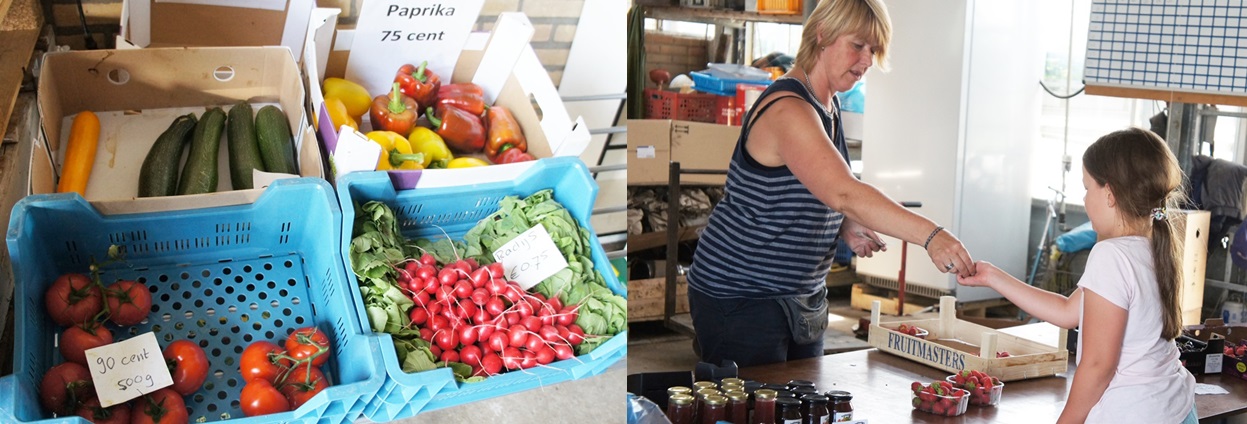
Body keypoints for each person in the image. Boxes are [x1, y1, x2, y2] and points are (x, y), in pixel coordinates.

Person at [684, 0, 976, 368]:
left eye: (874, 49)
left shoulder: (828, 105)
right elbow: (843, 192)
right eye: (858, 45)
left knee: (805, 404)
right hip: (742, 294)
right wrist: (932, 236)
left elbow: (811, 186)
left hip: (800, 295)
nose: (867, 60)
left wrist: (844, 224)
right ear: (822, 34)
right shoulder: (789, 108)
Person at [957, 127, 1197, 424]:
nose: (1084, 200)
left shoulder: (1111, 256)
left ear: (1109, 194)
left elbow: (1098, 365)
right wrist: (992, 276)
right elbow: (1069, 312)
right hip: (1177, 408)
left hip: (1133, 414)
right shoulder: (1153, 246)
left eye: (1087, 188)